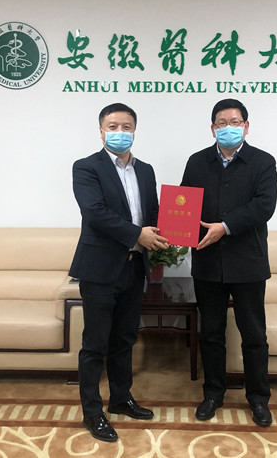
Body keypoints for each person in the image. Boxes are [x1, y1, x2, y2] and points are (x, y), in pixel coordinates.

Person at [69, 102, 169, 442]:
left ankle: (121, 398)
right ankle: (92, 412)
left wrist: (168, 230)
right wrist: (137, 233)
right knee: (95, 344)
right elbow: (95, 212)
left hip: (134, 267)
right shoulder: (86, 167)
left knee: (125, 339)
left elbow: (152, 211)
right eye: (113, 127)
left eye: (126, 127)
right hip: (100, 268)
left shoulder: (146, 170)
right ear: (101, 131)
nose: (120, 133)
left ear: (135, 131)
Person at [181, 98, 277, 427]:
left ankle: (258, 398)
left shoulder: (263, 162)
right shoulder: (197, 162)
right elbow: (184, 204)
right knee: (211, 333)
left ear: (246, 126)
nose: (228, 128)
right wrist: (176, 228)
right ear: (213, 129)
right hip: (207, 261)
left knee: (254, 335)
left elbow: (264, 206)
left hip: (248, 261)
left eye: (235, 122)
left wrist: (225, 226)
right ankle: (213, 394)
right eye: (221, 123)